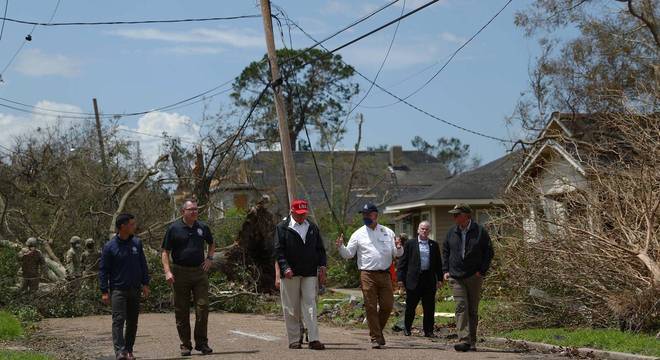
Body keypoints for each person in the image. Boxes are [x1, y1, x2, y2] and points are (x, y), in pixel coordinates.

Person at [336, 203, 403, 348]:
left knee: (387, 305)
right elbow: (349, 254)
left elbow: (396, 254)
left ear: (375, 215)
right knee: (371, 306)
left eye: (368, 214)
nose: (365, 217)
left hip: (385, 274)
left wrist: (399, 247)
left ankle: (377, 332)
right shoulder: (358, 233)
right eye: (363, 214)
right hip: (367, 275)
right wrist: (341, 246)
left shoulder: (388, 232)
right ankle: (376, 337)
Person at [161, 199, 215, 357]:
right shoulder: (174, 228)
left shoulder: (203, 227)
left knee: (202, 308)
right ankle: (185, 344)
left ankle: (202, 343)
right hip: (180, 273)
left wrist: (210, 259)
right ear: (183, 212)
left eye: (196, 209)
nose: (194, 212)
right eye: (191, 209)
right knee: (181, 310)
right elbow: (165, 251)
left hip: (199, 273)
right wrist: (167, 271)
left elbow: (211, 244)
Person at [274, 199, 327, 350]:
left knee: (310, 304)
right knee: (291, 307)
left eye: (304, 214)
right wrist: (284, 268)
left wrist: (322, 266)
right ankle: (294, 339)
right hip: (290, 273)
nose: (302, 217)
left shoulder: (312, 227)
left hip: (310, 272)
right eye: (299, 214)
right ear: (292, 212)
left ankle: (314, 338)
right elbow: (278, 251)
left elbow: (320, 249)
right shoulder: (282, 227)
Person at [442, 204, 494, 352]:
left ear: (467, 216)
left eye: (457, 214)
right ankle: (463, 340)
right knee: (461, 307)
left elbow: (488, 252)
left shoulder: (480, 231)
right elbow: (445, 251)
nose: (454, 217)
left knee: (472, 309)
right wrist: (445, 270)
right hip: (456, 276)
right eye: (454, 214)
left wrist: (482, 271)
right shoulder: (451, 232)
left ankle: (472, 341)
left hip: (474, 276)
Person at [99, 213, 150, 360]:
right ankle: (120, 351)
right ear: (123, 226)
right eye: (131, 224)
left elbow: (143, 265)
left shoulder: (137, 243)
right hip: (118, 290)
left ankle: (129, 350)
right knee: (118, 320)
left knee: (133, 321)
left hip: (135, 289)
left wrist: (145, 284)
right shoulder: (110, 247)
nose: (134, 226)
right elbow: (103, 270)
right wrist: (104, 291)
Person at [397, 221, 443, 337]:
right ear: (418, 230)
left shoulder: (434, 245)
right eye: (422, 229)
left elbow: (438, 263)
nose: (424, 231)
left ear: (429, 231)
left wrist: (440, 279)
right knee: (410, 306)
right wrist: (400, 279)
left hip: (429, 279)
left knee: (429, 307)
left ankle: (428, 331)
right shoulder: (410, 244)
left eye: (426, 229)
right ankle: (407, 329)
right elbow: (403, 262)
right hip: (413, 279)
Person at [274, 260, 307, 344]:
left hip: (308, 273)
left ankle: (309, 331)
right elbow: (278, 256)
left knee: (307, 304)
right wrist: (278, 275)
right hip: (290, 274)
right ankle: (299, 331)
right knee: (294, 305)